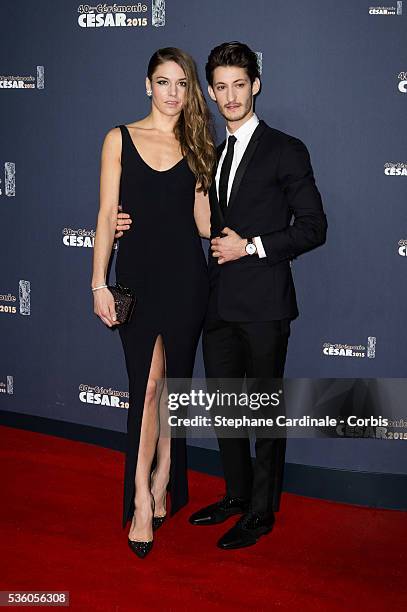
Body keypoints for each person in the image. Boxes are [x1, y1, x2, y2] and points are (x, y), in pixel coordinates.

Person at [116, 41, 328, 550]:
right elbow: (183, 214)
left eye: (240, 84)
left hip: (264, 303)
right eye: (221, 87)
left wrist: (252, 246)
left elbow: (314, 227)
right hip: (211, 302)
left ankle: (261, 511)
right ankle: (234, 495)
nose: (231, 96)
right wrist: (128, 223)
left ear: (255, 84)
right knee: (228, 407)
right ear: (210, 93)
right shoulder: (206, 150)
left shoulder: (285, 149)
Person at [92, 47, 216, 558]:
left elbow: (205, 227)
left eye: (182, 84)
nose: (173, 93)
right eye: (164, 82)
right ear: (147, 85)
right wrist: (98, 283)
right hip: (138, 278)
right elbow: (105, 214)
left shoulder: (198, 144)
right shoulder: (118, 139)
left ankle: (165, 473)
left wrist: (212, 179)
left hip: (187, 279)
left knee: (172, 388)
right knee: (145, 388)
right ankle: (141, 499)